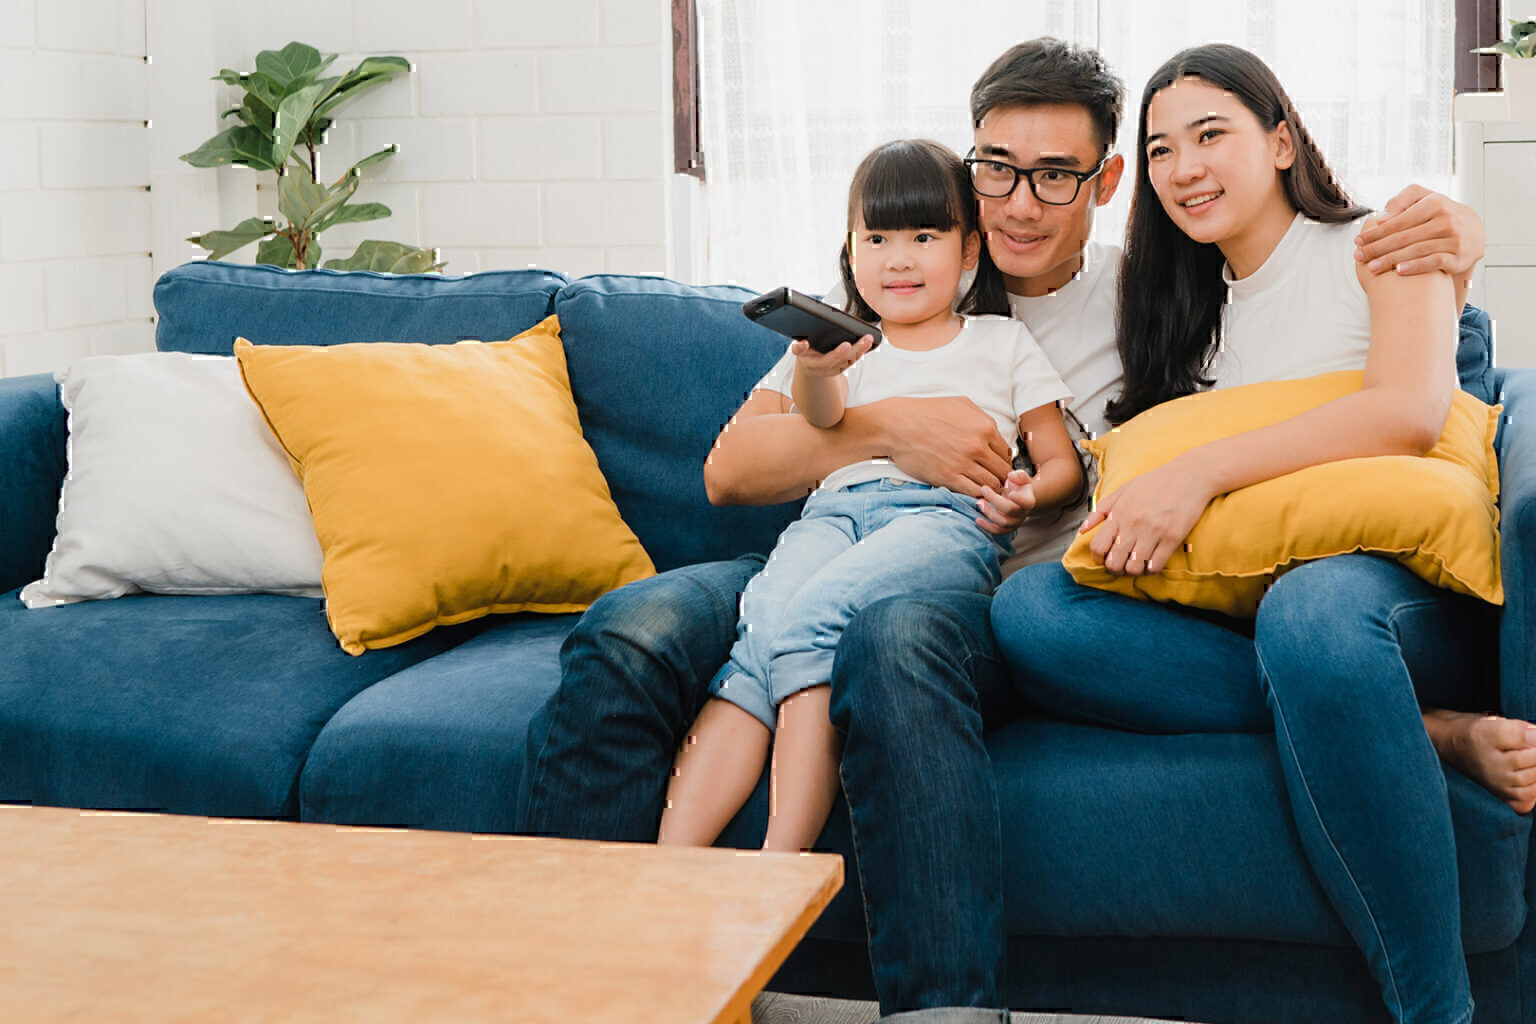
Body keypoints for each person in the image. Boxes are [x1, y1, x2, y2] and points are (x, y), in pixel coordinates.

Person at [517, 38, 1497, 1023]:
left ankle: (941, 1008)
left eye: (1056, 175)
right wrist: (891, 427)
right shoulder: (904, 279)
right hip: (817, 542)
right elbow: (732, 471)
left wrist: (1458, 230)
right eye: (997, 168)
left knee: (906, 635)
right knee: (629, 628)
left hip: (973, 574)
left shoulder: (1156, 294)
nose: (1021, 201)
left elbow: (1358, 344)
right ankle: (575, 981)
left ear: (1106, 182)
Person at [991, 43, 1520, 1024]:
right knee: (1034, 610)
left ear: (1281, 140)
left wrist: (1199, 470)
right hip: (1244, 597)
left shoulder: (1377, 244)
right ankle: (1420, 732)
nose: (1184, 167)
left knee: (1312, 608)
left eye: (1210, 135)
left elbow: (1408, 408)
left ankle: (1436, 1010)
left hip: (1386, 589)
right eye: (1159, 151)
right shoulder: (1176, 311)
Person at [657, 140, 1082, 854]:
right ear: (850, 252)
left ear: (970, 249)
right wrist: (817, 369)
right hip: (833, 514)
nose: (901, 258)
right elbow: (819, 421)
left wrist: (1028, 497)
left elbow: (1060, 464)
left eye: (925, 236)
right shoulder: (839, 349)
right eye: (877, 239)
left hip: (943, 520)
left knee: (816, 620)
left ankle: (779, 869)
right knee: (759, 637)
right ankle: (671, 873)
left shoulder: (1000, 342)